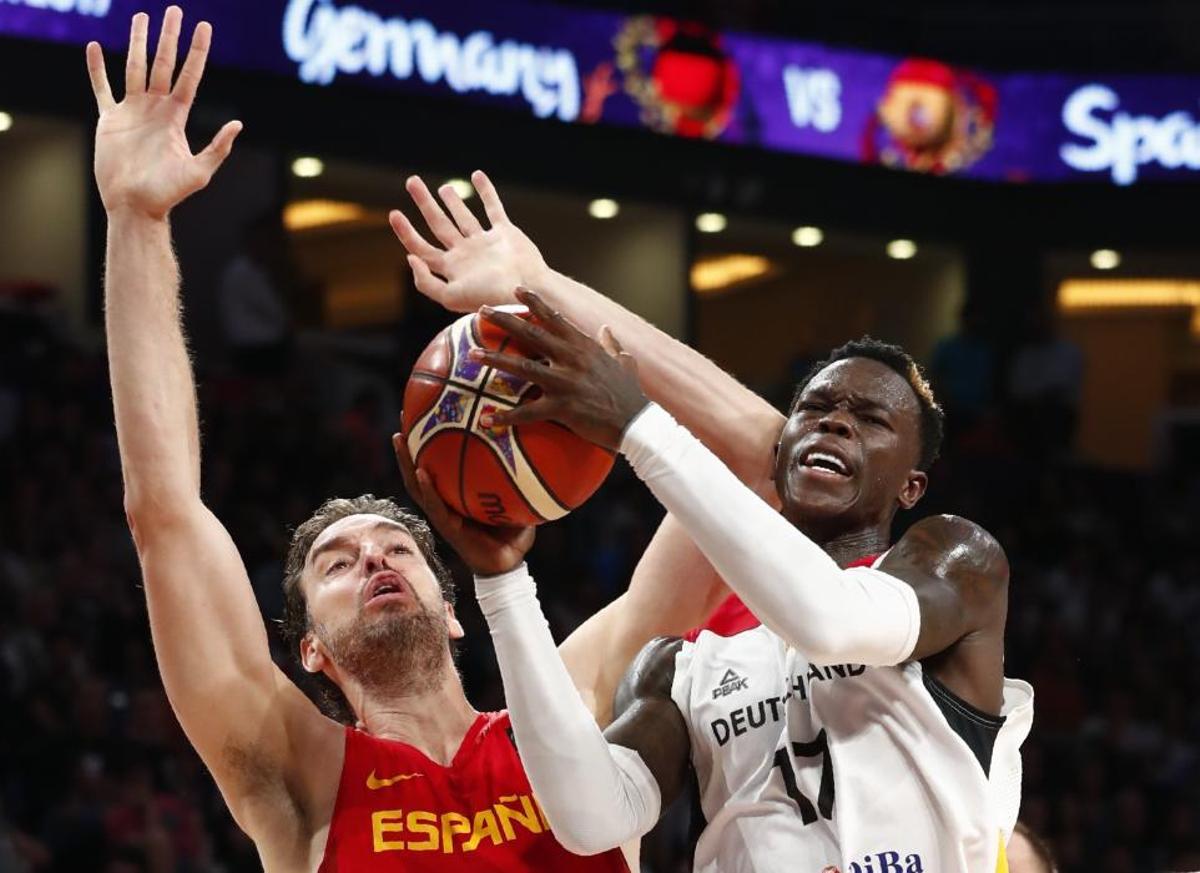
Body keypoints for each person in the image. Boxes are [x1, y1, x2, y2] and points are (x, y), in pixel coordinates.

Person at [88, 8, 783, 870]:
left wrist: (543, 286)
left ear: (454, 610)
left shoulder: (577, 702)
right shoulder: (302, 776)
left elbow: (764, 462)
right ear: (311, 650)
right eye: (336, 565)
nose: (374, 560)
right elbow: (165, 515)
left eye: (396, 548)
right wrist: (135, 218)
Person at [391, 178, 1033, 870]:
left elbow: (829, 617)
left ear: (912, 485)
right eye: (813, 411)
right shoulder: (683, 665)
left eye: (870, 419)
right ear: (784, 445)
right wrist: (504, 581)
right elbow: (587, 819)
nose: (835, 421)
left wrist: (635, 418)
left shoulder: (957, 562)